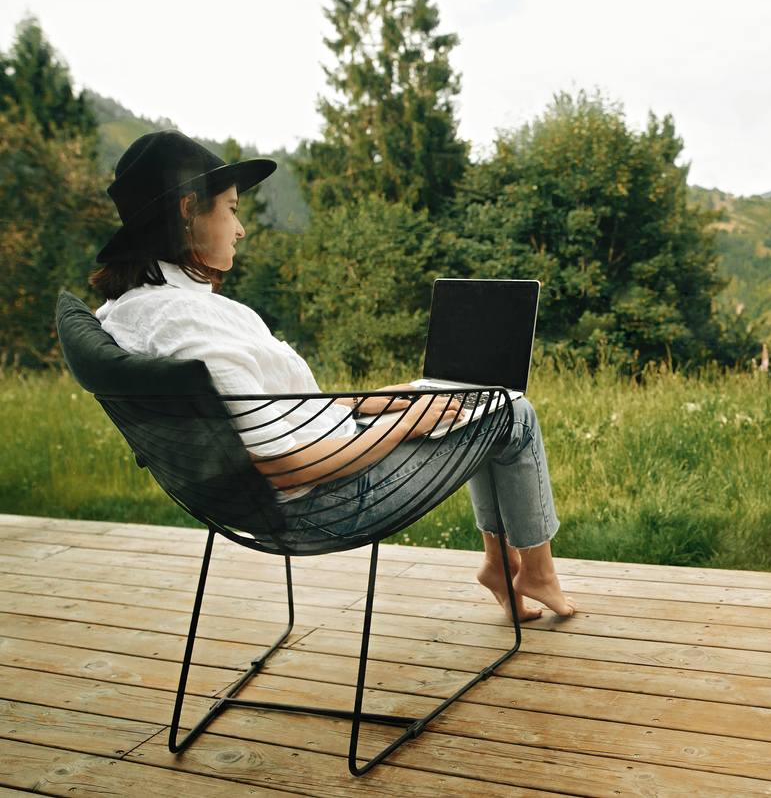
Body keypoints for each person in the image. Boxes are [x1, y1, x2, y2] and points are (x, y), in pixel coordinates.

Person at [89, 130, 575, 620]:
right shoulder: (188, 325)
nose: (240, 229)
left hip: (291, 484)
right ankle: (534, 572)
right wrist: (406, 423)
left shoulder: (129, 312)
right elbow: (286, 464)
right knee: (512, 412)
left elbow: (269, 414)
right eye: (232, 209)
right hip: (325, 504)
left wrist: (367, 402)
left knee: (466, 406)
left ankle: (501, 565)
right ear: (188, 210)